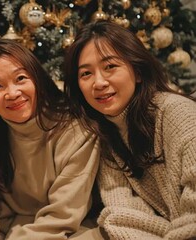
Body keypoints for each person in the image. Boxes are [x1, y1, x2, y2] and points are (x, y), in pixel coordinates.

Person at [63, 20, 196, 239]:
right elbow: (121, 212)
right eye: (86, 74)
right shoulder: (105, 130)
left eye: (110, 67)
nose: (99, 82)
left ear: (138, 72)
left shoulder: (178, 114)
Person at [0, 39, 101, 239]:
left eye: (21, 78)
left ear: (38, 80)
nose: (12, 93)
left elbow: (64, 215)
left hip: (75, 229)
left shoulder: (76, 131)